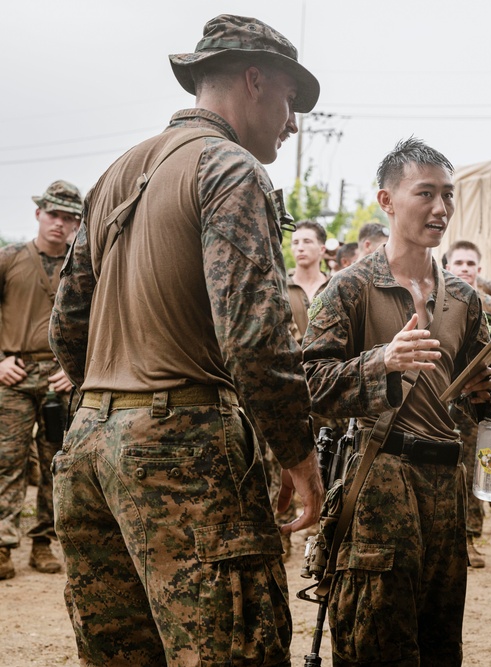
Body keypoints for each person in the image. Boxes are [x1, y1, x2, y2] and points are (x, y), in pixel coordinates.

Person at [49, 15, 324, 665]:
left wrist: (112, 399)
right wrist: (296, 453)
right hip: (185, 450)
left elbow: (66, 326)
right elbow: (255, 338)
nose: (292, 123)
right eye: (289, 101)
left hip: (87, 450)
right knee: (234, 650)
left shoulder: (116, 172)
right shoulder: (230, 169)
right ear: (254, 80)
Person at [302, 137, 491, 664]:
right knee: (376, 644)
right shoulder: (348, 289)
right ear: (387, 202)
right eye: (426, 194)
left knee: (440, 644)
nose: (441, 208)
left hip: (446, 483)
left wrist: (488, 392)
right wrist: (380, 363)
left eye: (448, 195)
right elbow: (309, 386)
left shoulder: (464, 298)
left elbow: (481, 390)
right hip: (378, 482)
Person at [0, 180, 83, 580]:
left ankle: (43, 543)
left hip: (60, 379)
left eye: (70, 218)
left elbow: (98, 321)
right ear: (38, 214)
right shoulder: (9, 258)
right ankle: (2, 544)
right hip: (12, 375)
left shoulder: (84, 265)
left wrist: (75, 367)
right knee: (7, 462)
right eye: (53, 214)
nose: (60, 224)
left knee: (57, 464)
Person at [443, 239, 491, 567]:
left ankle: (483, 526)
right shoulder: (440, 300)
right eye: (459, 264)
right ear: (448, 266)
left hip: (479, 393)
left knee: (485, 459)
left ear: (479, 269)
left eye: (471, 264)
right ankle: (461, 538)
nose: (465, 269)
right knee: (454, 467)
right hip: (445, 397)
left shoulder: (485, 302)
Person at [288, 219, 330, 344]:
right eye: (295, 242)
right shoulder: (279, 288)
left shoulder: (335, 286)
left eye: (307, 241)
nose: (300, 248)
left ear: (322, 249)